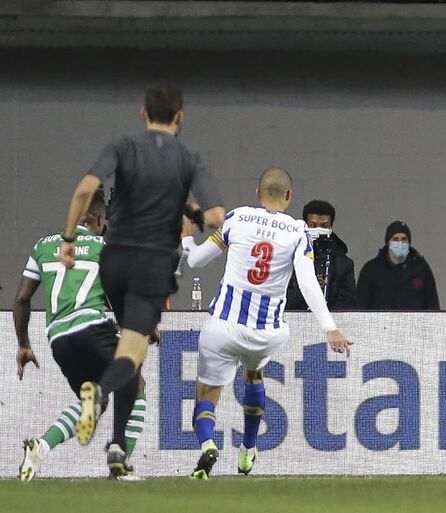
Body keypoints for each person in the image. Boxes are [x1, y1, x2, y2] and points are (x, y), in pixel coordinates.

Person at [57, 85, 225, 470]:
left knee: (130, 348)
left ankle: (117, 446)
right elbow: (215, 218)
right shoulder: (188, 157)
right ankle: (99, 392)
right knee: (132, 354)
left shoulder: (124, 146)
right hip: (152, 263)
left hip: (113, 261)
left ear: (142, 114)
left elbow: (86, 188)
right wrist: (197, 217)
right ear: (180, 117)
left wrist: (68, 238)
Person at [180, 167, 351, 479]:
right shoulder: (298, 232)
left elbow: (196, 260)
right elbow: (309, 283)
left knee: (207, 392)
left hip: (224, 326)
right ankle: (247, 449)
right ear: (289, 196)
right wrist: (330, 327)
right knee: (253, 374)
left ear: (258, 193)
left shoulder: (237, 218)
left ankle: (207, 444)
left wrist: (187, 239)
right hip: (267, 333)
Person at [14, 190, 147, 479]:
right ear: (100, 219)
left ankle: (41, 447)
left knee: (94, 403)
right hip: (91, 327)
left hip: (58, 340)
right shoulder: (103, 246)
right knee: (134, 377)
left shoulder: (43, 245)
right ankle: (119, 453)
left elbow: (22, 299)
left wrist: (24, 344)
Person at [285, 200, 357, 310]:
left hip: (330, 324)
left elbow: (349, 303)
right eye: (313, 225)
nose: (318, 230)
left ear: (331, 227)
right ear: (305, 226)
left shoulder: (344, 264)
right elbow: (281, 299)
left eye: (324, 226)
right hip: (295, 322)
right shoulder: (289, 259)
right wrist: (306, 289)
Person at [356, 220, 440, 310]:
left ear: (409, 242)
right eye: (395, 239)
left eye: (404, 239)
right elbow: (360, 306)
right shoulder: (371, 270)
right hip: (381, 323)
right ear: (388, 242)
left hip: (414, 323)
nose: (400, 243)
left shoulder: (421, 268)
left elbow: (432, 304)